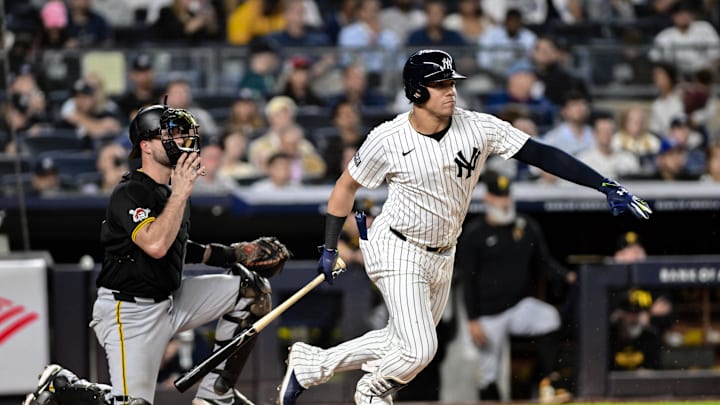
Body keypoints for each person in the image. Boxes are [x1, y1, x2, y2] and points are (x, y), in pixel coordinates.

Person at [277, 49, 652, 405]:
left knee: (401, 343)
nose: (451, 91)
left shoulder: (477, 127)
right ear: (417, 91)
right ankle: (372, 390)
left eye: (452, 83)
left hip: (443, 252)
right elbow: (345, 187)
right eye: (441, 85)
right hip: (396, 245)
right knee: (420, 349)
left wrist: (603, 184)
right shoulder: (388, 138)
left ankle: (312, 365)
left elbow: (541, 153)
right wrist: (328, 247)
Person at [25, 104, 290, 405]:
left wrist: (235, 255)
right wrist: (180, 194)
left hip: (171, 299)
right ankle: (63, 386)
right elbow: (156, 245)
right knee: (133, 404)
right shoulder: (130, 192)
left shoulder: (171, 191)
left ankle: (217, 394)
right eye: (171, 133)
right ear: (146, 145)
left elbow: (176, 248)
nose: (180, 139)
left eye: (181, 132)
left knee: (252, 291)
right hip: (129, 312)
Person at [457, 171, 575, 403]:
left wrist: (568, 276)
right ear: (488, 199)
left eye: (507, 196)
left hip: (518, 305)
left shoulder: (525, 226)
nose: (504, 202)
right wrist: (472, 320)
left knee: (549, 317)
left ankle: (546, 381)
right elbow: (467, 281)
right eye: (499, 197)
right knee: (487, 375)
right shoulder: (474, 234)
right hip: (487, 314)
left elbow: (543, 263)